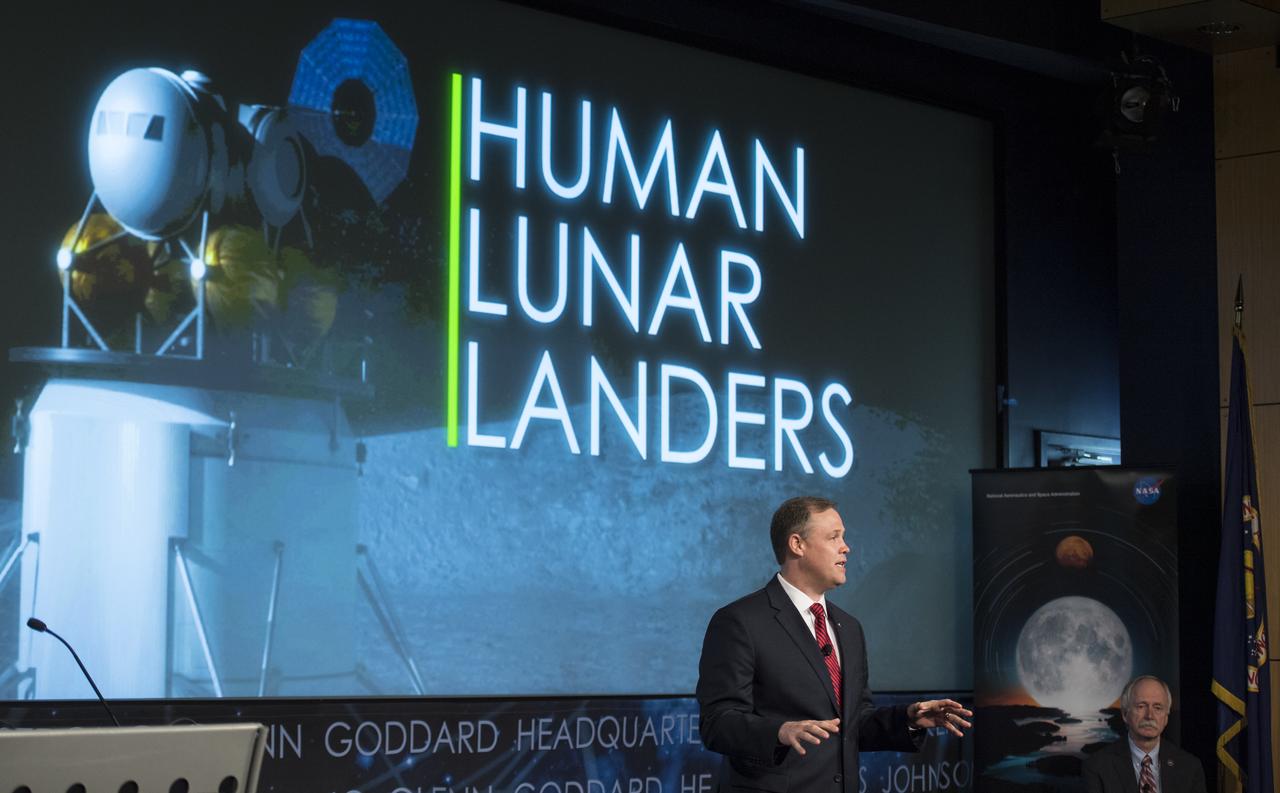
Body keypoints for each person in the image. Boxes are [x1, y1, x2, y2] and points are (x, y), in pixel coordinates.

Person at [696, 496, 971, 793]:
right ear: (797, 545)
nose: (846, 547)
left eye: (844, 537)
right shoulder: (741, 621)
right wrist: (779, 731)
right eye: (833, 537)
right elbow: (717, 723)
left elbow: (854, 724)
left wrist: (908, 718)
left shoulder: (849, 628)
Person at [1082, 675, 1207, 793]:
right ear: (1125, 714)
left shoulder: (1190, 767)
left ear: (1166, 718)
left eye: (1157, 708)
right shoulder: (1097, 766)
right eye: (1141, 706)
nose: (1149, 716)